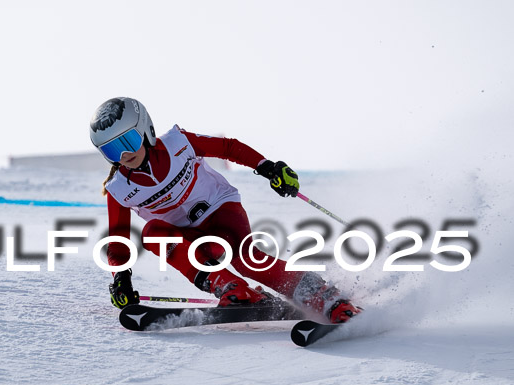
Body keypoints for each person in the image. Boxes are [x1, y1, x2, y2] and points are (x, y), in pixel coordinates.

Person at [89, 97, 360, 324]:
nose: (123, 155)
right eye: (112, 150)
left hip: (220, 212)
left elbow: (228, 147)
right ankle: (233, 289)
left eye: (128, 142)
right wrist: (121, 278)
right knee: (152, 233)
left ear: (145, 129)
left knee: (245, 259)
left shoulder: (177, 143)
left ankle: (327, 298)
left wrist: (267, 167)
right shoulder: (119, 189)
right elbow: (118, 243)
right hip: (191, 241)